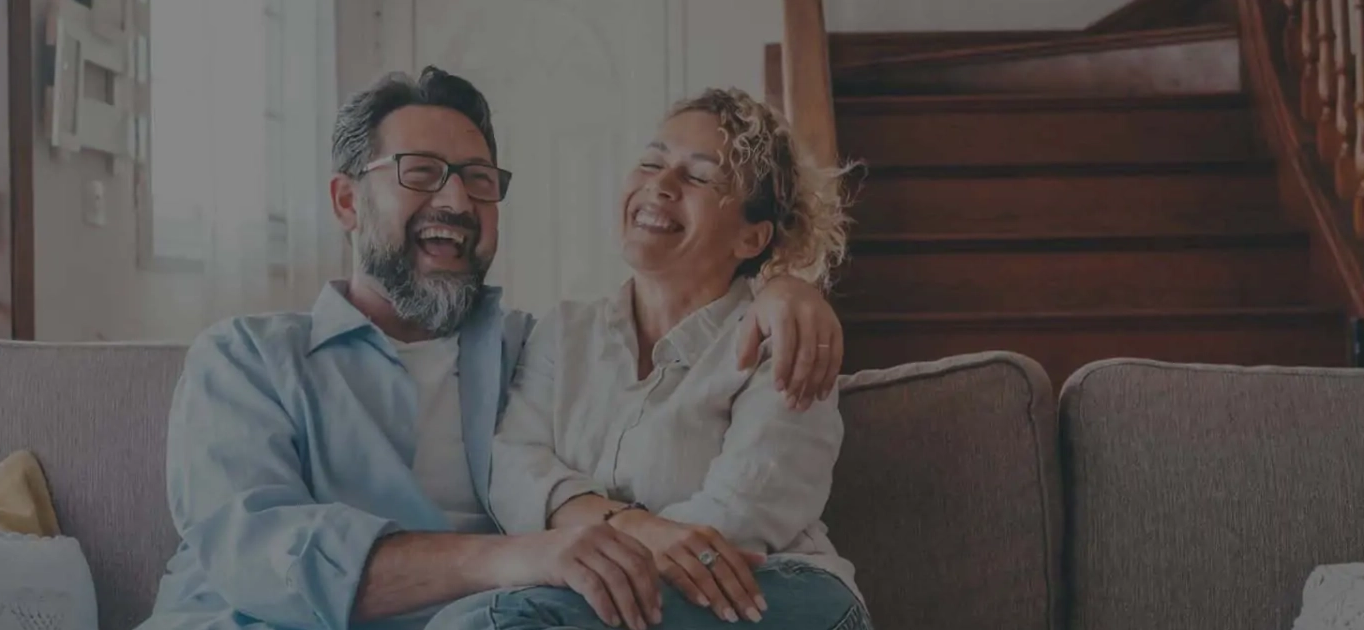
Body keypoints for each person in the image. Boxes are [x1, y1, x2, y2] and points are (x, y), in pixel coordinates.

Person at [137, 67, 846, 630]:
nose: (455, 200)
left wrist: (787, 290)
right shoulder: (244, 360)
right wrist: (521, 558)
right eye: (419, 172)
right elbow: (262, 557)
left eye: (478, 180)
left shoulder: (520, 349)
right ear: (348, 203)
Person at [431, 88, 870, 630]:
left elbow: (736, 520)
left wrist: (595, 539)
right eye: (651, 162)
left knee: (486, 623)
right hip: (619, 597)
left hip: (773, 594)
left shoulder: (784, 337)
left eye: (699, 176)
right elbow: (517, 472)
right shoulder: (565, 332)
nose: (660, 186)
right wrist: (639, 531)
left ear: (751, 236)